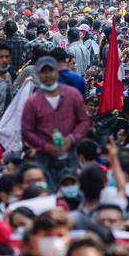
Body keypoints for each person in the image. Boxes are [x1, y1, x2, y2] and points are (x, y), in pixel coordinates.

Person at [20, 56, 90, 191]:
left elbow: (84, 121)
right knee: (47, 193)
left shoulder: (72, 95)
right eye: (43, 72)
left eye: (50, 71)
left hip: (69, 154)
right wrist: (45, 146)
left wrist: (71, 138)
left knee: (71, 192)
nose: (47, 75)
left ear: (57, 72)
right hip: (44, 157)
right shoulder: (32, 102)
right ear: (38, 75)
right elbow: (26, 130)